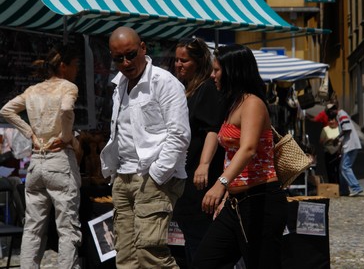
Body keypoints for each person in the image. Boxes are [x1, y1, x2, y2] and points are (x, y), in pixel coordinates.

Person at [100, 27, 191, 268]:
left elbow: (179, 134)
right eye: (118, 58)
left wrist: (157, 175)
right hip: (123, 176)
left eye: (130, 54)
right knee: (126, 255)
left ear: (143, 48)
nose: (126, 62)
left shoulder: (164, 82)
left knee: (150, 254)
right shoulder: (119, 84)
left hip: (152, 177)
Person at [192, 44, 288, 269]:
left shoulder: (253, 103)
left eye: (217, 70)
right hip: (236, 203)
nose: (212, 75)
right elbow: (232, 153)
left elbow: (248, 149)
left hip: (260, 200)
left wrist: (220, 184)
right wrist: (226, 195)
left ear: (233, 71)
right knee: (204, 262)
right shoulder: (234, 103)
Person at [0, 45, 81, 268]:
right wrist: (65, 137)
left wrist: (31, 135)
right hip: (59, 161)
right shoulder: (68, 87)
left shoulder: (33, 90)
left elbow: (6, 110)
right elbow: (65, 109)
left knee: (32, 228)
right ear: (63, 66)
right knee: (67, 229)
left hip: (37, 162)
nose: (77, 70)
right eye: (75, 65)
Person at [172, 37, 226, 267]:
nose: (178, 64)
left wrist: (204, 164)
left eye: (184, 60)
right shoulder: (187, 90)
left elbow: (212, 129)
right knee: (193, 243)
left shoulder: (205, 90)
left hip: (199, 179)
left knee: (201, 243)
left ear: (198, 61)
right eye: (176, 60)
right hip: (187, 178)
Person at [325, 104, 363, 197]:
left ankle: (356, 187)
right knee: (341, 168)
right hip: (348, 145)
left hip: (351, 144)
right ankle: (344, 190)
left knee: (345, 167)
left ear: (333, 110)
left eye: (329, 113)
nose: (330, 116)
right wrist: (340, 148)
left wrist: (337, 139)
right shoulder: (339, 116)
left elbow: (347, 129)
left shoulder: (342, 114)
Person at [319, 117, 341, 185]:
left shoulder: (340, 129)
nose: (331, 122)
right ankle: (332, 187)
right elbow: (321, 141)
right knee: (330, 171)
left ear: (336, 121)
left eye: (332, 120)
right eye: (329, 120)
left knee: (339, 171)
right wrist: (328, 140)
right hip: (328, 153)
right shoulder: (325, 129)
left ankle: (340, 187)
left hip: (338, 152)